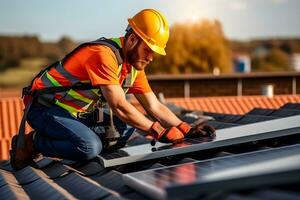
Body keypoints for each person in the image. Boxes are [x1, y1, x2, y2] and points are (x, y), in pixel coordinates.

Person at [10, 9, 215, 171]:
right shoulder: (103, 54)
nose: (151, 57)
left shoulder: (133, 67)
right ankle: (32, 143)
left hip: (74, 114)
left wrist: (185, 128)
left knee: (126, 128)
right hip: (44, 109)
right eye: (148, 50)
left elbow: (154, 106)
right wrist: (159, 131)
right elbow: (119, 105)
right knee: (89, 147)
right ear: (133, 39)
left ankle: (73, 135)